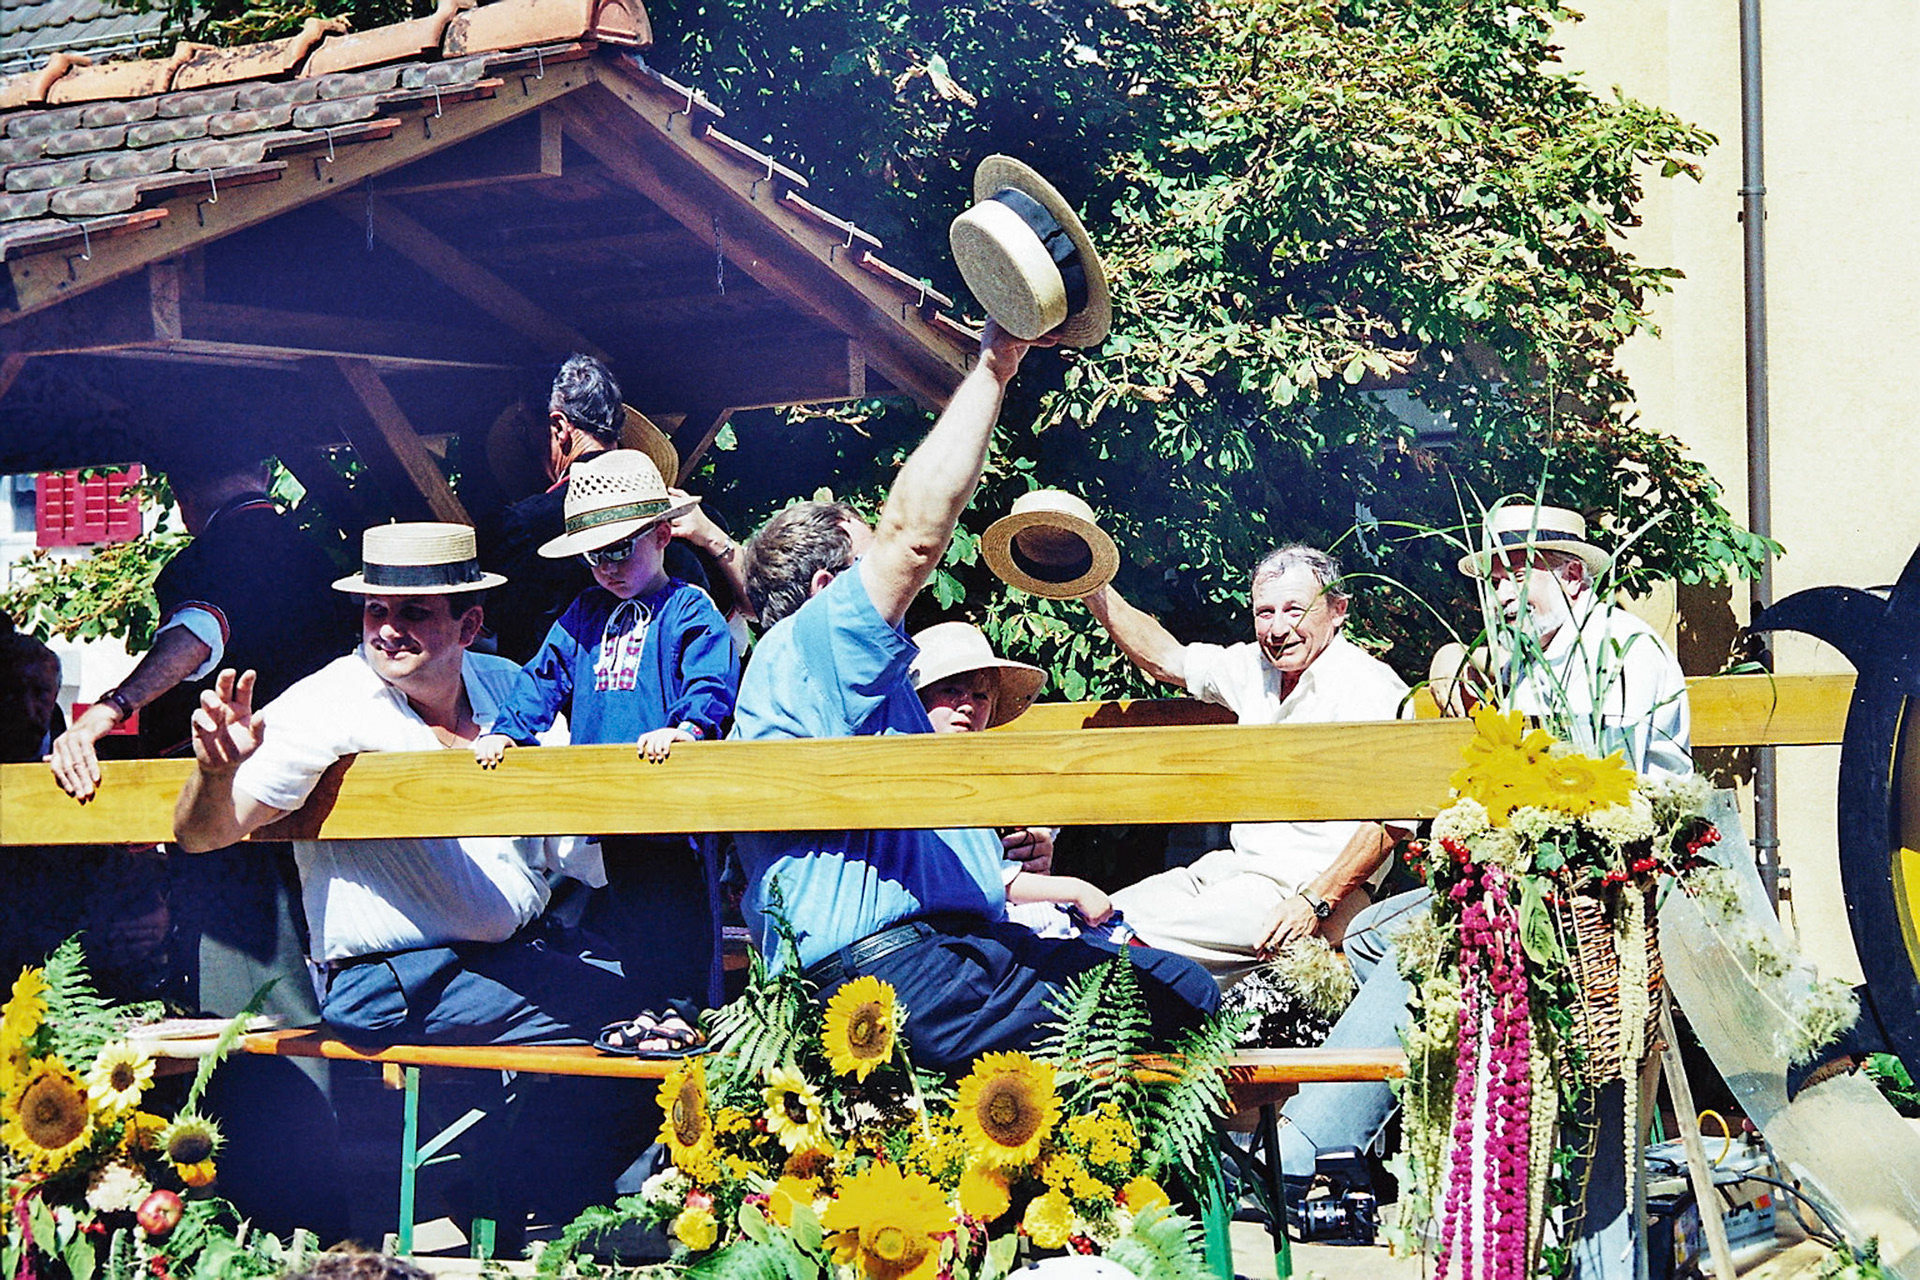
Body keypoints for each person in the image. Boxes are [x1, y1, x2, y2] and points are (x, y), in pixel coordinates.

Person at [729, 322, 1218, 1072]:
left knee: (1159, 989)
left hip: (910, 968)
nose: (895, 588)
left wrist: (1001, 866)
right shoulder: (818, 641)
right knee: (1177, 996)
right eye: (868, 564)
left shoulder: (822, 685)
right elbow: (914, 535)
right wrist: (997, 360)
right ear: (828, 587)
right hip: (895, 981)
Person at [1285, 504, 1691, 1270]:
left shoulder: (1618, 652)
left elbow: (1610, 802)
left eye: (1516, 575)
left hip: (1606, 900)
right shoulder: (1533, 660)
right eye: (1494, 578)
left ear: (1572, 576)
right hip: (1533, 879)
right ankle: (1360, 1126)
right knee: (1371, 933)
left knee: (1426, 945)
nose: (1500, 593)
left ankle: (1312, 1136)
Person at [43, 444, 354, 1240]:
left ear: (182, 494)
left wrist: (109, 709)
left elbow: (197, 633)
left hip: (236, 827)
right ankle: (306, 1214)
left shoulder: (215, 555)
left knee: (245, 1015)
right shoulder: (314, 552)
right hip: (321, 820)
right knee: (290, 1013)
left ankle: (270, 1222)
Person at [171, 521, 636, 1045]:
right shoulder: (328, 701)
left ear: (469, 625)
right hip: (390, 985)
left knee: (658, 991)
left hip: (509, 961)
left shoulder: (509, 686)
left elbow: (575, 847)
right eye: (376, 610)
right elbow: (203, 835)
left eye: (413, 612)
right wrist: (214, 773)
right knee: (638, 1007)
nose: (388, 630)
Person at [475, 450, 740, 1051]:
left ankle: (687, 1013)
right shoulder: (584, 614)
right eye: (594, 555)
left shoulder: (688, 607)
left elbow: (711, 679)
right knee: (631, 909)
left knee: (681, 909)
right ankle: (647, 1007)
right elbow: (543, 675)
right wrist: (509, 730)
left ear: (663, 535)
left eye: (620, 549)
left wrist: (689, 726)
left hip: (673, 806)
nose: (608, 568)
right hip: (610, 802)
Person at [1079, 546, 1411, 986]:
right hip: (1235, 870)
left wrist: (1314, 902)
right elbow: (1166, 659)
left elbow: (1394, 819)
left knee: (1133, 944)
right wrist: (1090, 584)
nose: (1278, 628)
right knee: (1096, 917)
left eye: (1295, 609)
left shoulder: (1370, 687)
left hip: (1311, 892)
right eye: (1265, 612)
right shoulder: (1253, 667)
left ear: (1338, 611)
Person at [479, 355, 748, 663]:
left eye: (524, 429)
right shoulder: (688, 520)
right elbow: (755, 612)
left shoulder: (516, 528)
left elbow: (478, 634)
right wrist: (713, 536)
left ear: (559, 427)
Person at [907, 620, 1120, 938]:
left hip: (1010, 918)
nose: (967, 705)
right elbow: (988, 878)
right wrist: (1073, 889)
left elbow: (1017, 859)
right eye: (951, 691)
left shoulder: (987, 775)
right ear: (917, 699)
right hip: (964, 931)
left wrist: (1038, 844)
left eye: (980, 696)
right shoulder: (913, 778)